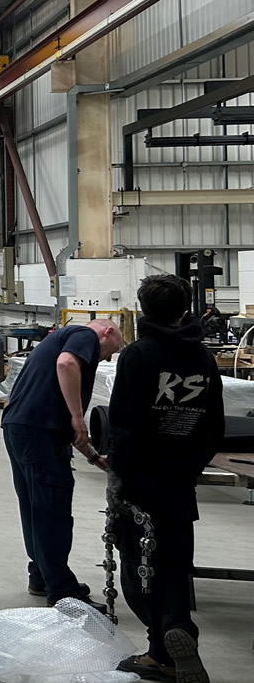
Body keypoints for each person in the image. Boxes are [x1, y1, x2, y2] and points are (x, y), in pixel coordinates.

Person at [107, 276, 223, 683]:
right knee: (174, 560)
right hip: (180, 480)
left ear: (143, 309)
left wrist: (118, 477)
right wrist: (191, 465)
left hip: (141, 480)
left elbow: (123, 424)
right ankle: (179, 626)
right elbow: (214, 424)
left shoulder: (138, 355)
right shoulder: (203, 357)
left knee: (140, 566)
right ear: (185, 308)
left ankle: (161, 650)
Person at [1, 318, 126, 607]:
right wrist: (78, 417)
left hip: (21, 428)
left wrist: (92, 456)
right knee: (52, 511)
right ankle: (62, 591)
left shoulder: (60, 338)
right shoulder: (84, 335)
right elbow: (66, 364)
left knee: (35, 508)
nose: (104, 358)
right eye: (110, 351)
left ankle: (41, 577)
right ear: (107, 332)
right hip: (39, 432)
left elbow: (59, 409)